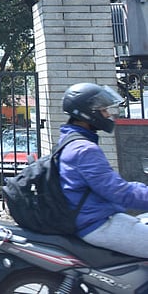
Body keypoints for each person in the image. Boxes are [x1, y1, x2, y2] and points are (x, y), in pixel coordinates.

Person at [57, 82, 148, 258]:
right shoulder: (84, 149)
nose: (108, 114)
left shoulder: (69, 141)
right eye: (103, 110)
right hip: (96, 223)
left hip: (93, 215)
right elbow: (118, 192)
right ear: (87, 112)